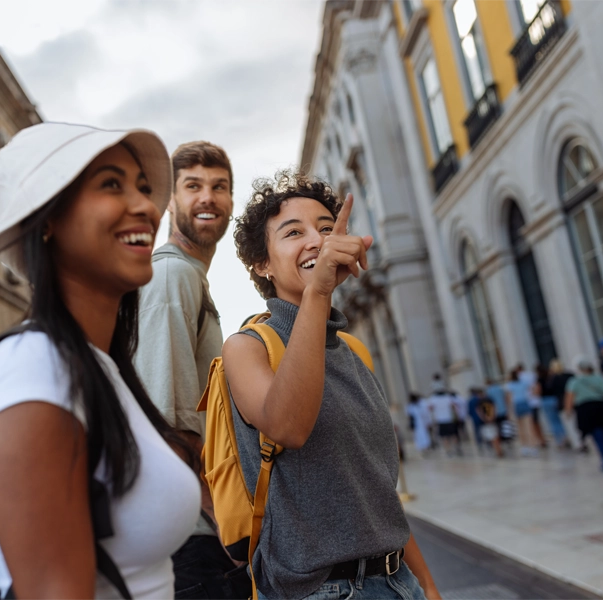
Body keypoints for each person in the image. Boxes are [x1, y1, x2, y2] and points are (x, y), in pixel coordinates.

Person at [0, 123, 201, 598]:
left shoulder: (100, 366)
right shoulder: (32, 369)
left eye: (141, 186)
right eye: (111, 184)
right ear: (46, 220)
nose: (146, 206)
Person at [224, 171, 440, 600]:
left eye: (326, 228)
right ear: (261, 264)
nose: (317, 240)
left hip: (398, 581)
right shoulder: (247, 348)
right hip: (319, 591)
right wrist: (318, 291)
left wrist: (427, 586)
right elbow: (287, 427)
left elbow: (375, 490)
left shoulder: (354, 351)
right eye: (293, 232)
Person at [133, 142, 247, 599]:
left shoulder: (191, 278)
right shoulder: (171, 277)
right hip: (194, 538)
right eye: (193, 186)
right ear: (170, 202)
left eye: (219, 187)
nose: (208, 198)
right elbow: (168, 422)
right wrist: (226, 526)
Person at [505, 368, 538, 456]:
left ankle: (525, 447)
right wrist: (531, 396)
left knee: (520, 428)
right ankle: (533, 447)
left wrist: (509, 409)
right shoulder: (523, 383)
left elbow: (508, 398)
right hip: (525, 403)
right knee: (529, 427)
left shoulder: (510, 385)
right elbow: (533, 388)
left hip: (517, 405)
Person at [427, 379, 460, 456]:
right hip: (449, 419)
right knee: (453, 435)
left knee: (444, 436)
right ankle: (456, 448)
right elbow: (453, 406)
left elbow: (430, 408)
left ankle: (448, 450)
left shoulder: (433, 399)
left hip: (441, 420)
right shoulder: (448, 397)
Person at [547, 359, 574, 449]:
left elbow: (550, 389)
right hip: (573, 401)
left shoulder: (554, 378)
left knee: (567, 423)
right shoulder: (569, 375)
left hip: (562, 402)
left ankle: (573, 441)